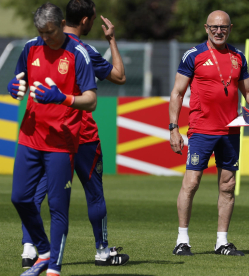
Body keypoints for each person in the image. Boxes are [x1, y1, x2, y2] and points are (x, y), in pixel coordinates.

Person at [19, 0, 129, 269]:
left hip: (49, 132)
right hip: (81, 133)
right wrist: (111, 40)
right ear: (86, 21)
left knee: (35, 192)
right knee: (94, 193)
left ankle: (30, 249)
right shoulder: (83, 49)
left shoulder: (38, 44)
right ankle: (102, 251)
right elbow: (119, 76)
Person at [168, 10, 249, 256]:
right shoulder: (193, 55)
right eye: (214, 27)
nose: (218, 31)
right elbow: (177, 93)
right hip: (201, 130)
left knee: (228, 185)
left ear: (230, 28)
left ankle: (221, 242)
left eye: (223, 27)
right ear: (206, 28)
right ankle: (182, 240)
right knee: (191, 183)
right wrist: (173, 128)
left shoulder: (238, 56)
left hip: (231, 130)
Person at [8, 3, 98, 276]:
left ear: (60, 24)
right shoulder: (30, 47)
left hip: (61, 141)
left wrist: (64, 98)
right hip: (29, 136)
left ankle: (53, 268)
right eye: (41, 32)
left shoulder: (78, 53)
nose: (45, 38)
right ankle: (43, 251)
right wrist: (15, 88)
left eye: (49, 32)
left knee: (58, 206)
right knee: (20, 199)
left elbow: (91, 101)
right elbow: (19, 80)